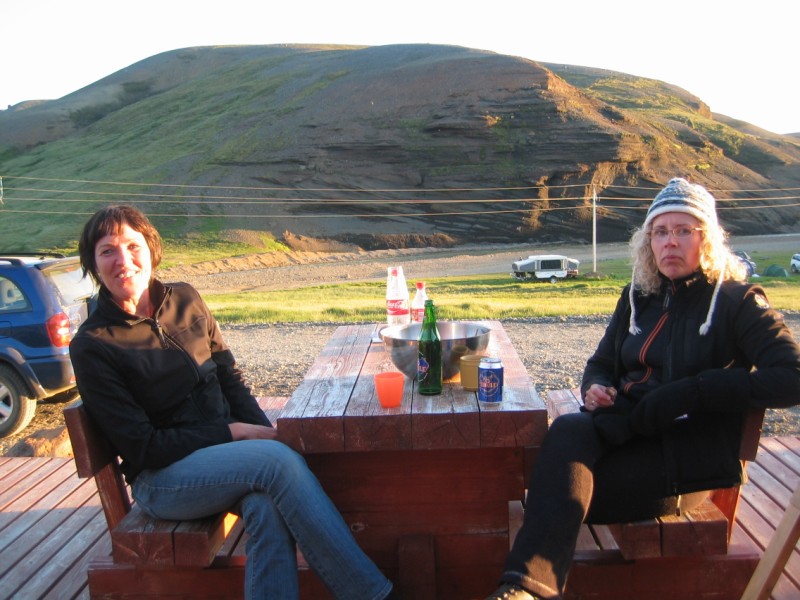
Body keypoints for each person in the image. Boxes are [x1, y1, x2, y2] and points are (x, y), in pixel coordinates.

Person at [485, 178, 800, 600]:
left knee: (551, 492)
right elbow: (600, 363)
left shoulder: (737, 302)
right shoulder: (639, 296)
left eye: (684, 230)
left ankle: (528, 586)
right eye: (660, 231)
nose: (670, 242)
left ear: (706, 239)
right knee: (567, 434)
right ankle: (524, 590)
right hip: (629, 431)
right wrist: (596, 387)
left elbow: (792, 376)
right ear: (648, 242)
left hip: (686, 457)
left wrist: (696, 390)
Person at [69, 205, 397, 600]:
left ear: (152, 250)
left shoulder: (185, 298)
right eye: (107, 251)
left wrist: (262, 431)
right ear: (93, 264)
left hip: (221, 460)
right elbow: (143, 447)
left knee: (267, 504)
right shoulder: (93, 344)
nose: (123, 261)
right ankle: (371, 595)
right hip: (162, 479)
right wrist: (235, 433)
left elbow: (229, 378)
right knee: (277, 463)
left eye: (132, 246)